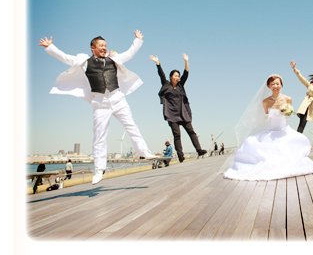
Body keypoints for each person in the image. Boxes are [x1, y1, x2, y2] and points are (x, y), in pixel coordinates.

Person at [39, 30, 158, 185]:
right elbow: (65, 57)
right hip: (100, 103)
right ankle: (99, 169)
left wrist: (137, 40)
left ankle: (143, 151)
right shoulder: (84, 61)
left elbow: (129, 54)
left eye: (105, 45)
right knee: (99, 135)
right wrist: (50, 47)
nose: (104, 48)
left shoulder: (113, 58)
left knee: (131, 125)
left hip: (117, 98)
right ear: (92, 48)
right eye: (101, 45)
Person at [222, 74, 313, 181]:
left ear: (281, 85)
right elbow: (267, 115)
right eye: (273, 84)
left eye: (277, 84)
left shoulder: (288, 99)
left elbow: (288, 116)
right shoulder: (265, 101)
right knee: (250, 142)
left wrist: (287, 113)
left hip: (284, 130)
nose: (275, 86)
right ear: (269, 86)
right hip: (270, 130)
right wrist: (266, 117)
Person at [149, 54, 207, 162]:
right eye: (175, 76)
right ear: (171, 77)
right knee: (177, 135)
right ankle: (180, 155)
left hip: (182, 113)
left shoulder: (180, 85)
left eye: (178, 76)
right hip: (171, 114)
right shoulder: (166, 84)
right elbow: (161, 74)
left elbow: (186, 74)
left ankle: (199, 150)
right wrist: (157, 63)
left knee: (191, 131)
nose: (177, 78)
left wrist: (186, 61)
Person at [290, 61, 313, 155]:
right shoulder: (310, 85)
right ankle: (295, 143)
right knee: (301, 125)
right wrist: (295, 69)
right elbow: (302, 79)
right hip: (306, 105)